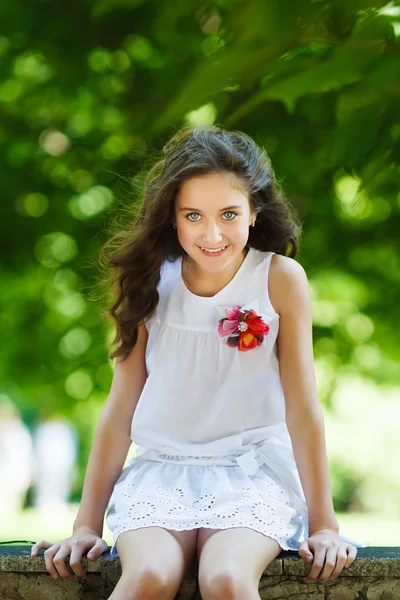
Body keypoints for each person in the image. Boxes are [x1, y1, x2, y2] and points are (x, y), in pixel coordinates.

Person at [30, 124, 363, 599]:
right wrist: (86, 524)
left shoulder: (280, 279)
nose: (211, 233)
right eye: (193, 215)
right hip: (160, 473)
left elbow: (303, 408)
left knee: (225, 577)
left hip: (252, 475)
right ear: (172, 218)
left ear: (254, 213)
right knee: (149, 576)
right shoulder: (150, 282)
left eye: (229, 214)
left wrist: (325, 524)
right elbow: (120, 410)